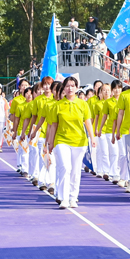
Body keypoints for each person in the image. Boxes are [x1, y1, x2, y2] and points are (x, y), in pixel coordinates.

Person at [44, 76, 96, 209]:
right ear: (64, 88)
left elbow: (88, 122)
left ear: (77, 88)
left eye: (73, 85)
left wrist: (92, 137)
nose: (70, 88)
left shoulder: (83, 104)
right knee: (65, 168)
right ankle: (64, 198)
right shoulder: (57, 106)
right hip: (62, 140)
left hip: (79, 142)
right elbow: (53, 126)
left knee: (75, 171)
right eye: (67, 86)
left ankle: (73, 198)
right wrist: (50, 143)